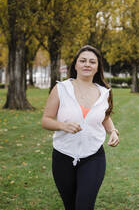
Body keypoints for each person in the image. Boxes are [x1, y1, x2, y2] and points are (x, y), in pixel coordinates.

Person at [41, 45, 119, 210]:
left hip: (94, 156)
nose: (87, 64)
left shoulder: (104, 92)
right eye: (82, 61)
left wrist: (112, 131)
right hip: (63, 155)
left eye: (92, 62)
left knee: (84, 205)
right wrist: (62, 126)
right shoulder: (61, 89)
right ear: (75, 65)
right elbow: (46, 120)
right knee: (70, 206)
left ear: (97, 67)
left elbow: (105, 117)